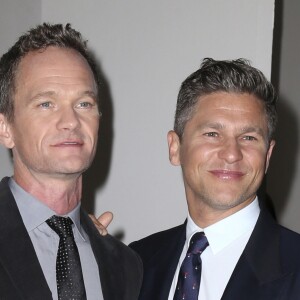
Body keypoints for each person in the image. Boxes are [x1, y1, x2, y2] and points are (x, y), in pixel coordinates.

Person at [95, 58, 300, 299]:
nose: (232, 154)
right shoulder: (137, 261)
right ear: (175, 147)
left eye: (248, 138)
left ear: (267, 156)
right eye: (212, 134)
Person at [0, 23, 142, 300]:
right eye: (46, 104)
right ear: (6, 129)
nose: (70, 122)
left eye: (84, 104)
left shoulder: (126, 265)